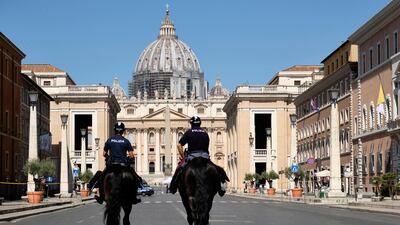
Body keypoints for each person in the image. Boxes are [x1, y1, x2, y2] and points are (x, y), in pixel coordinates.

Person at [169, 116, 227, 196]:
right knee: (219, 170)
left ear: (191, 123)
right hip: (205, 156)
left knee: (179, 169)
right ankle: (221, 187)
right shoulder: (205, 133)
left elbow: (179, 145)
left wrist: (183, 156)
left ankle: (173, 187)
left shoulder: (189, 132)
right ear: (200, 123)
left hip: (192, 156)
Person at [94, 122, 142, 205]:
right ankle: (134, 197)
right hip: (123, 165)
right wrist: (127, 158)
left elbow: (104, 154)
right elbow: (131, 155)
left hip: (111, 164)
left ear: (114, 130)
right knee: (137, 179)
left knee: (101, 178)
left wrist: (109, 157)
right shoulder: (126, 141)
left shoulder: (110, 140)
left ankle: (101, 197)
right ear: (123, 131)